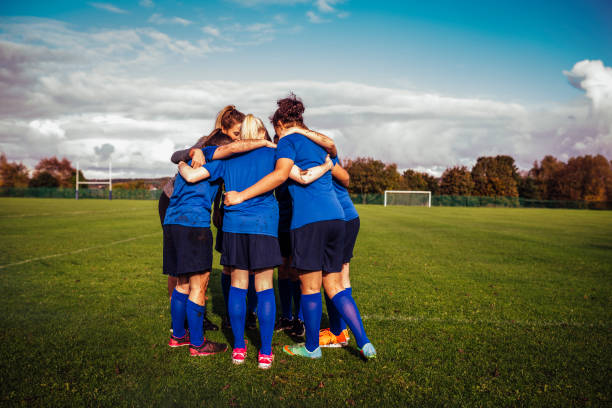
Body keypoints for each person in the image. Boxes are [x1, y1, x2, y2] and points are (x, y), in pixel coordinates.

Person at [224, 94, 376, 360]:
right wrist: (327, 164)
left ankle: (312, 347)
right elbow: (343, 173)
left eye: (276, 129)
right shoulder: (319, 145)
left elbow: (288, 175)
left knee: (310, 287)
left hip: (309, 220)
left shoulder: (286, 142)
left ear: (281, 124)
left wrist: (241, 195)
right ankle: (364, 343)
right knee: (336, 284)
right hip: (337, 218)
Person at [178, 114, 281, 369]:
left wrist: (183, 162)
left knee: (238, 284)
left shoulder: (226, 157)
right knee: (264, 286)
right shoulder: (274, 154)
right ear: (261, 133)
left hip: (234, 226)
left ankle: (238, 348)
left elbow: (195, 172)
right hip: (264, 225)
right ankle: (265, 353)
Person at [164, 131, 233, 356]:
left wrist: (184, 161)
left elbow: (179, 161)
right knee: (199, 285)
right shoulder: (219, 163)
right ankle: (197, 344)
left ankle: (178, 336)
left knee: (182, 283)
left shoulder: (193, 159)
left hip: (173, 221)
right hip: (194, 224)